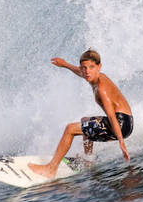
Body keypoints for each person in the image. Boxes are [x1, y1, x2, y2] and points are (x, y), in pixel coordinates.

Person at [28, 49, 133, 179]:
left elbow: (111, 116)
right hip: (126, 122)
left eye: (91, 67)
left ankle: (51, 169)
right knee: (85, 122)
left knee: (70, 129)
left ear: (99, 67)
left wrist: (121, 143)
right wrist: (65, 64)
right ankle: (89, 159)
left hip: (120, 124)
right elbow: (79, 72)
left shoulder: (101, 89)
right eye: (84, 68)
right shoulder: (93, 75)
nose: (87, 71)